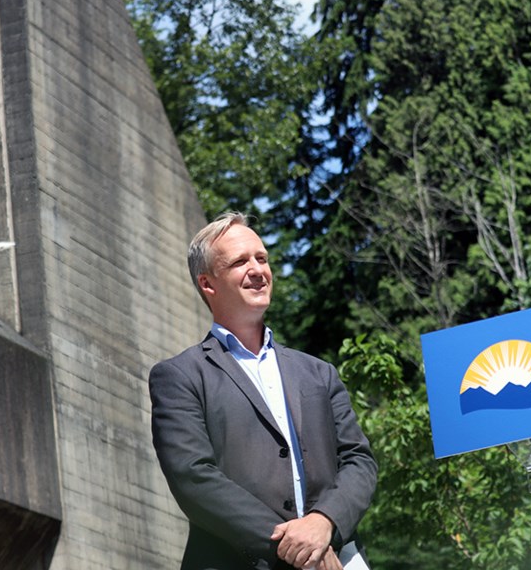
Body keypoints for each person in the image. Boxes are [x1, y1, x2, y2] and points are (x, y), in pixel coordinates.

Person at [150, 212, 378, 570]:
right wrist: (295, 547)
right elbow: (193, 477)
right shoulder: (179, 376)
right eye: (240, 261)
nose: (258, 269)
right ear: (208, 284)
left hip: (336, 557)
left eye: (262, 258)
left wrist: (324, 523)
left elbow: (359, 461)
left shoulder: (319, 373)